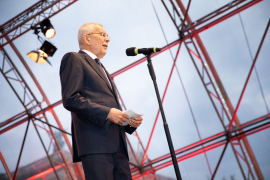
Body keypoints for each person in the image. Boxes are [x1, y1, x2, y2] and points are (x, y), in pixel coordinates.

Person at [59, 23, 143, 180]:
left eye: (108, 36)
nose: (108, 39)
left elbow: (107, 107)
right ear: (87, 38)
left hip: (118, 148)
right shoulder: (74, 58)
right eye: (103, 35)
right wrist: (108, 113)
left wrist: (127, 121)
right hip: (96, 146)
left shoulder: (103, 68)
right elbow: (71, 99)